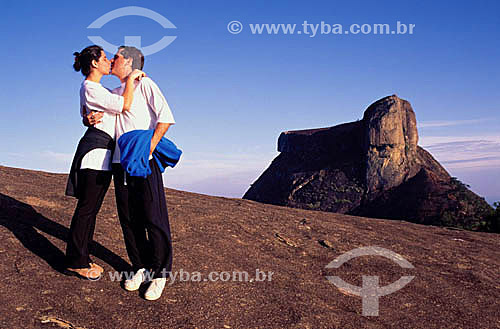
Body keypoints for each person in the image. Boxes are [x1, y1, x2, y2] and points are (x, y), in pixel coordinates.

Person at [65, 45, 145, 280]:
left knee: (91, 209)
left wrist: (85, 118)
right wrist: (132, 78)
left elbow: (89, 112)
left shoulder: (96, 89)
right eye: (104, 57)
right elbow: (124, 105)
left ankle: (82, 257)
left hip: (101, 151)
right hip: (96, 152)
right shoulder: (91, 87)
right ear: (94, 64)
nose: (109, 60)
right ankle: (76, 262)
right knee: (87, 210)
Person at [108, 46, 176, 301]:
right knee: (128, 218)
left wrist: (148, 148)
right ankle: (141, 267)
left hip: (144, 160)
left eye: (116, 57)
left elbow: (166, 118)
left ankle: (159, 274)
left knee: (153, 216)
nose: (111, 60)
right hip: (119, 162)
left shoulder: (145, 85)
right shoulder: (116, 92)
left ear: (130, 62)